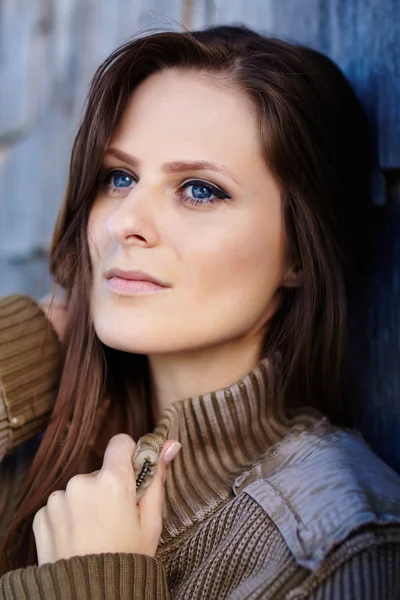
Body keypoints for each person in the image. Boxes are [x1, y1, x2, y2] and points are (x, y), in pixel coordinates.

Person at [0, 24, 399, 600]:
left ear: (301, 255)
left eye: (200, 190)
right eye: (120, 177)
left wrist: (95, 583)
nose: (122, 222)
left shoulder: (342, 547)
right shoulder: (41, 454)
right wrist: (30, 349)